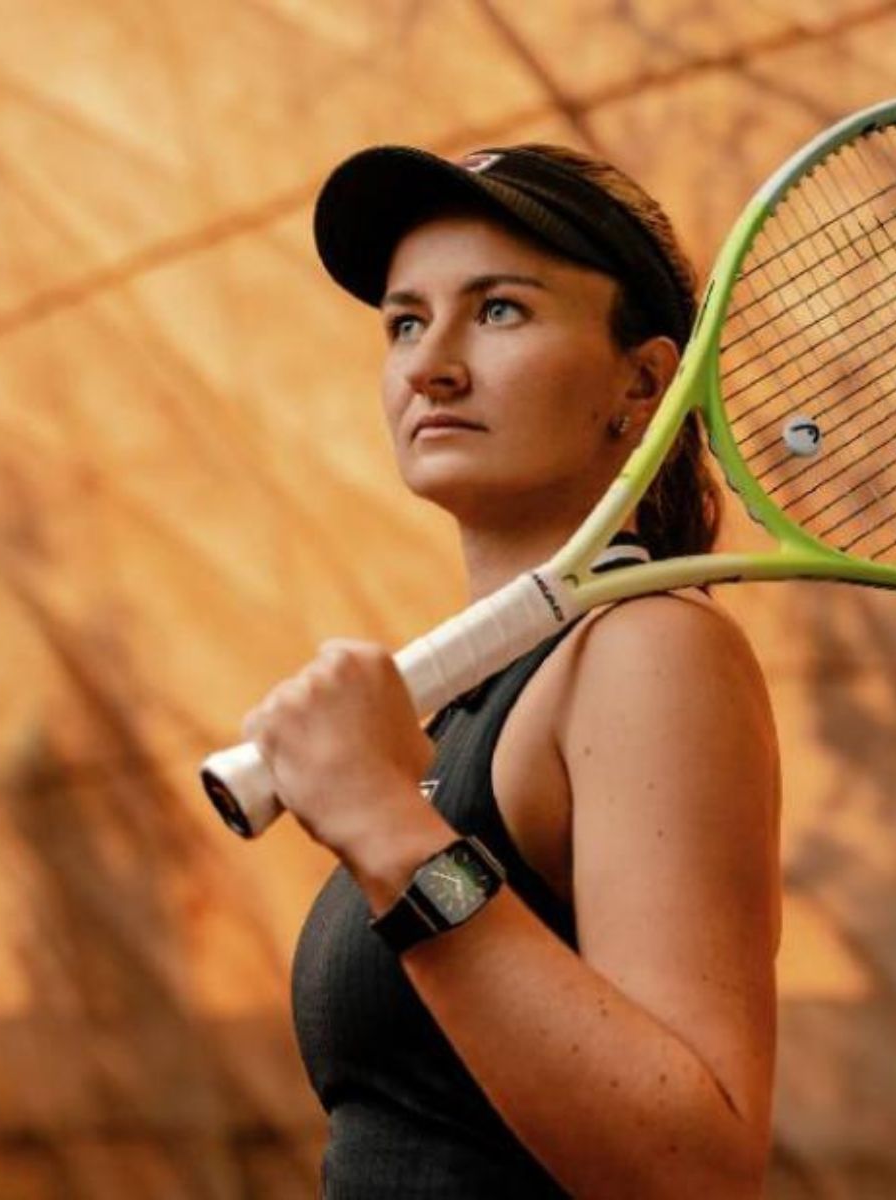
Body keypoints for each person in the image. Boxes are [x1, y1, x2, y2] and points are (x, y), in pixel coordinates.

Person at [242, 142, 781, 1198]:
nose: (431, 365)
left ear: (643, 382)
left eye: (498, 311)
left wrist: (391, 833)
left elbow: (697, 1170)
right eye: (406, 322)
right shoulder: (483, 694)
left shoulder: (648, 648)